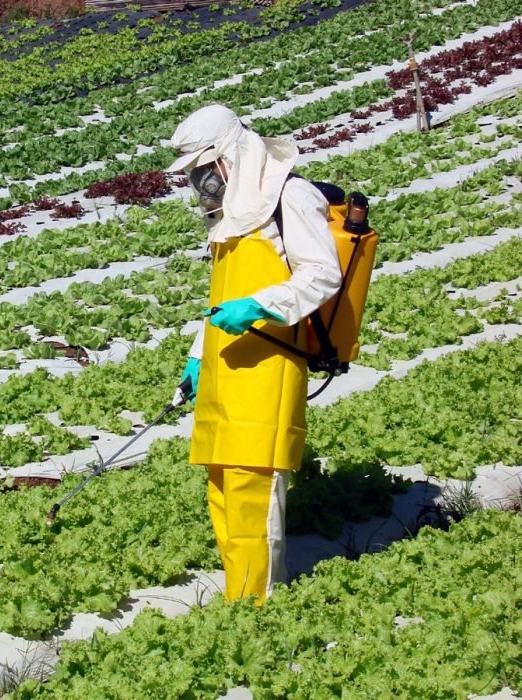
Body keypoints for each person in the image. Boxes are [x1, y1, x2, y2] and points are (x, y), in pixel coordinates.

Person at [166, 104, 342, 603]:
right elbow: (221, 300)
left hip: (268, 365)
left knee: (254, 490)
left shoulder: (290, 197)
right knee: (222, 489)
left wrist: (260, 307)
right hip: (225, 369)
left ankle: (258, 602)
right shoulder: (233, 216)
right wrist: (199, 355)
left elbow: (322, 274)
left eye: (205, 168)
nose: (202, 181)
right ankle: (238, 596)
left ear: (231, 155)